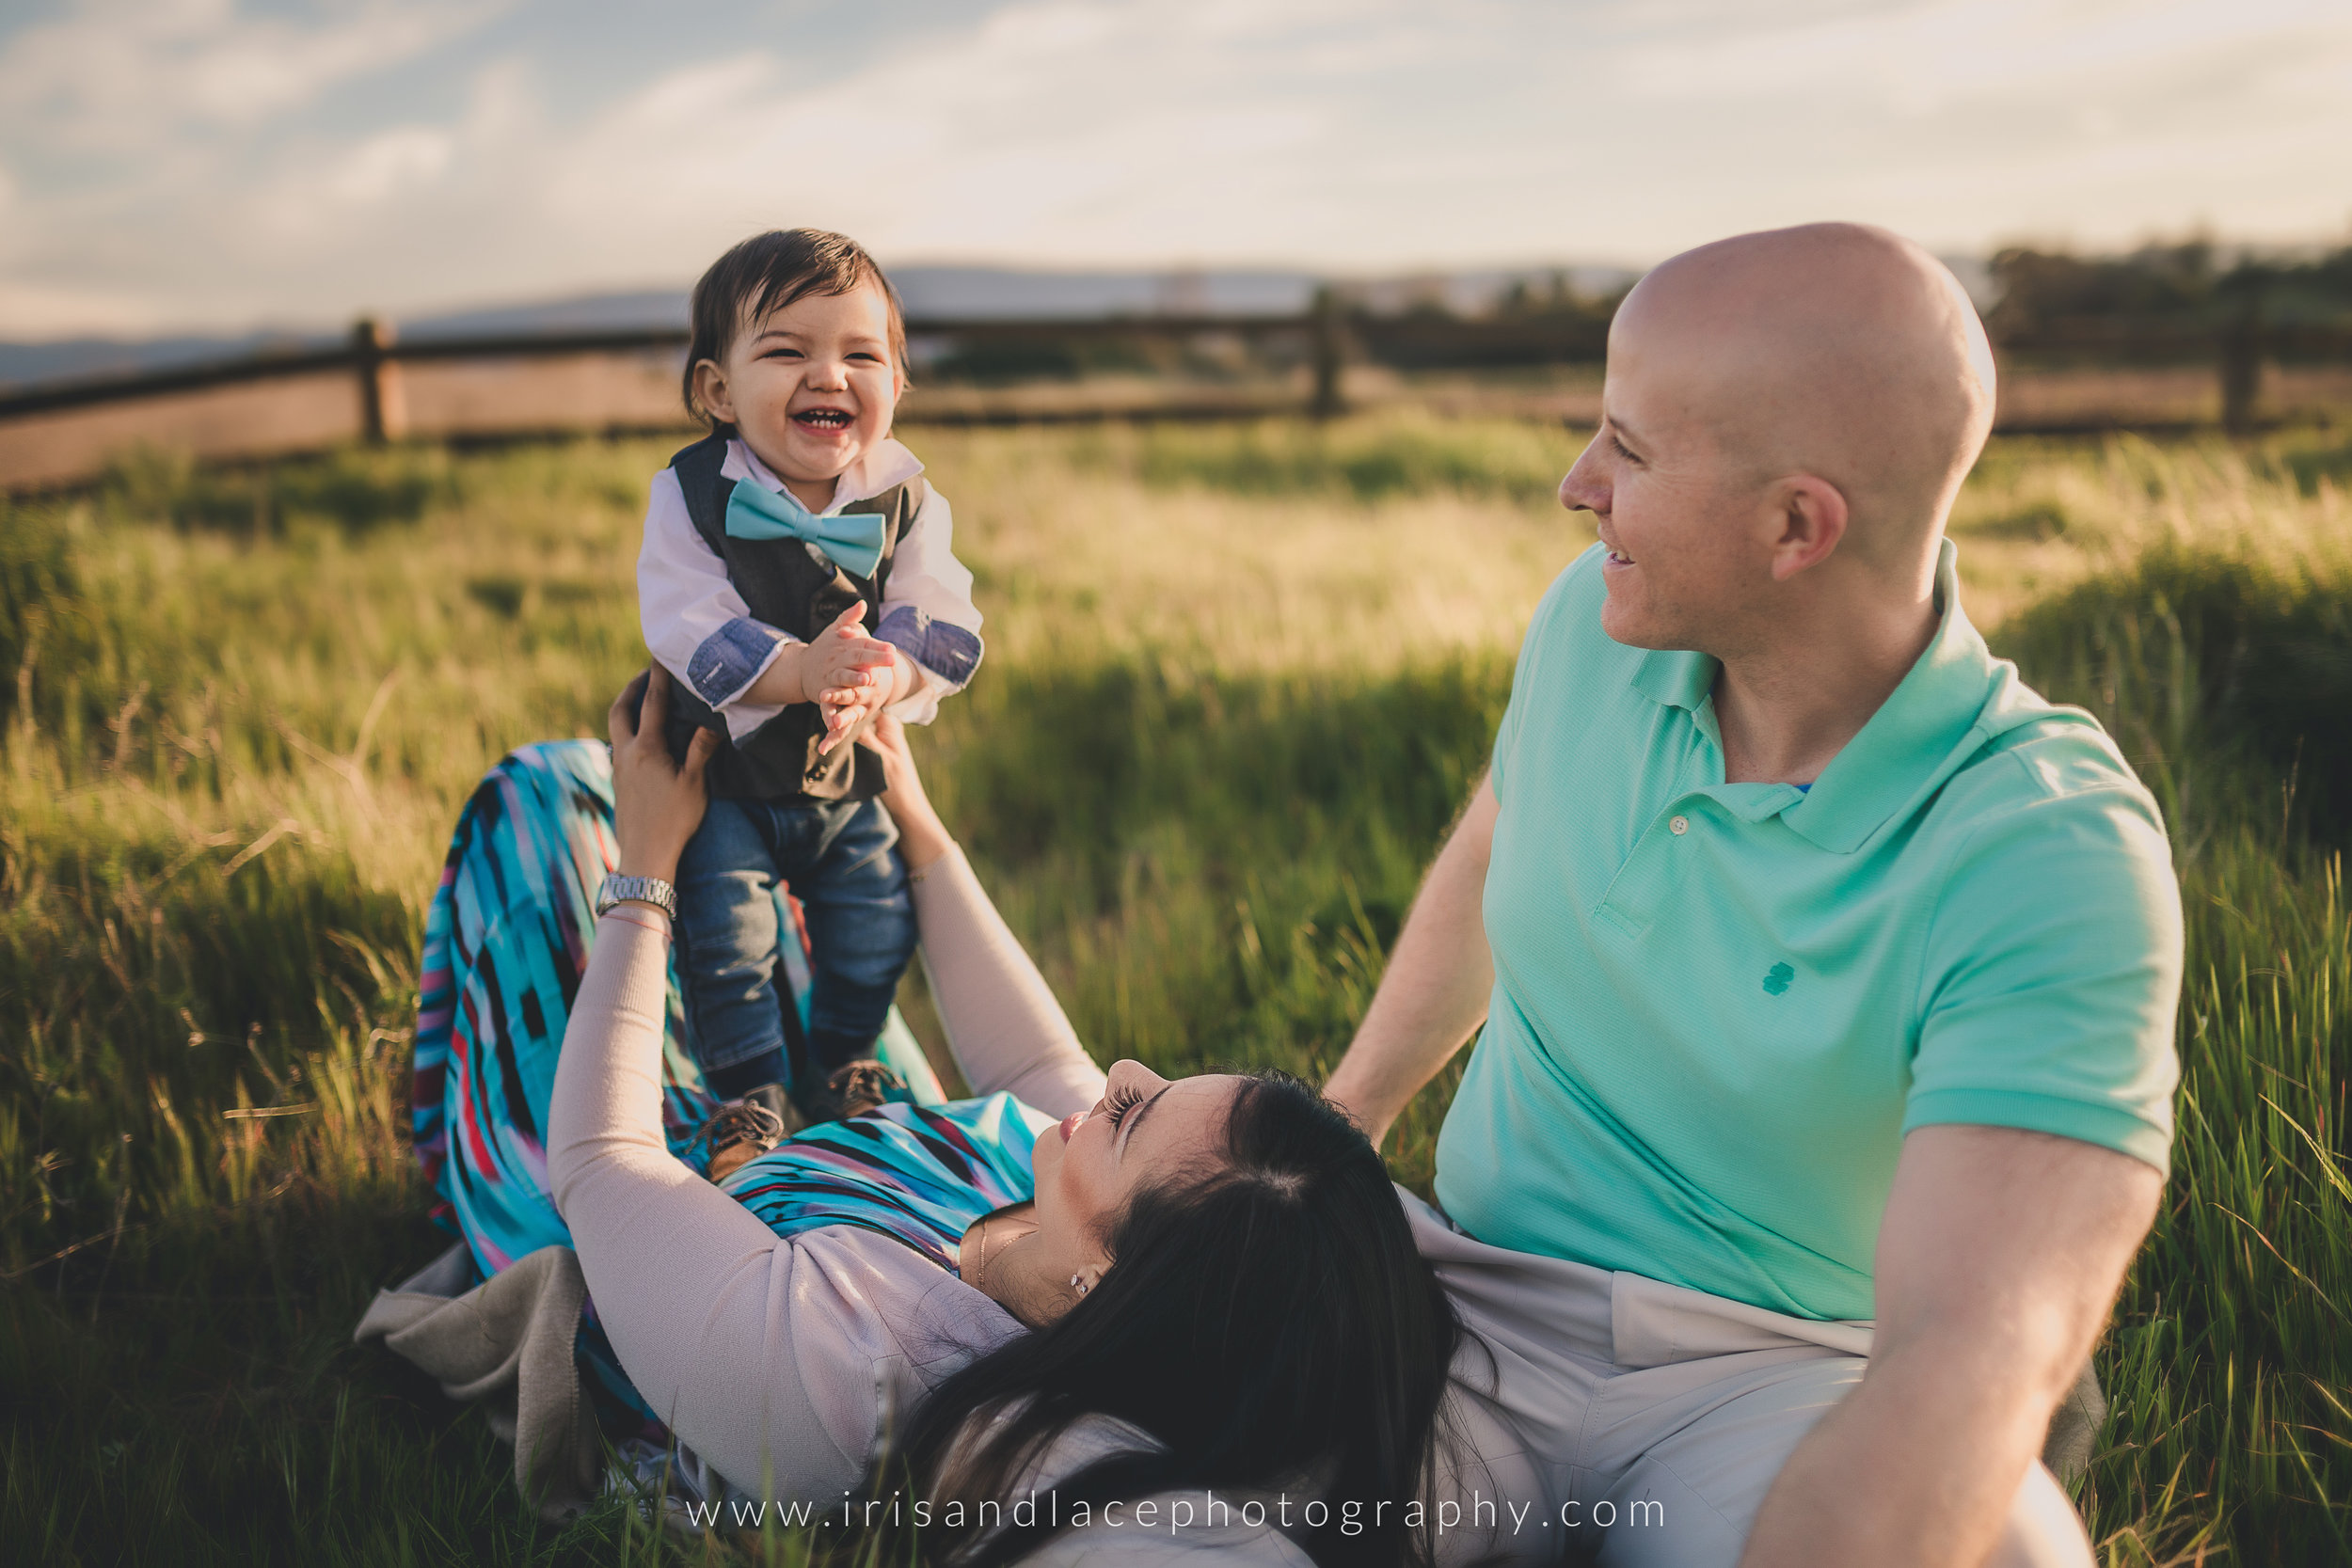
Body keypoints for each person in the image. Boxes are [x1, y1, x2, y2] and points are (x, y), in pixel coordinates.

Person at [1323, 223, 2183, 1568]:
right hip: (1458, 1303)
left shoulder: (2044, 846)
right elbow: (1502, 841)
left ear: (1798, 525)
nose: (1577, 484)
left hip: (1774, 1379)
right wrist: (1342, 1125)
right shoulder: (1591, 627)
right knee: (1132, 1501)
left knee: (2018, 1550)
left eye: (1632, 451)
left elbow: (1977, 1349)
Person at [547, 668, 1468, 1566]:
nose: (1120, 1070)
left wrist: (646, 869)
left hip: (634, 1164)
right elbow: (1036, 1065)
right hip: (830, 1133)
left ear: (1103, 1281)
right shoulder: (1113, 1233)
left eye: (1131, 1113)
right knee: (753, 831)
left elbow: (600, 1157)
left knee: (556, 798)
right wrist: (911, 810)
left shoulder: (851, 1371)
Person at [639, 228, 985, 1126]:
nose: (829, 376)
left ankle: (844, 1061)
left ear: (898, 386)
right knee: (727, 944)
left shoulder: (906, 495)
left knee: (875, 925)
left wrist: (886, 674)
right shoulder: (691, 491)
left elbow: (941, 614)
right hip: (726, 778)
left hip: (848, 778)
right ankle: (748, 1098)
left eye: (861, 355)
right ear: (718, 387)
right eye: (787, 351)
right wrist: (796, 670)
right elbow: (683, 619)